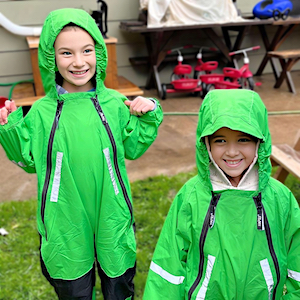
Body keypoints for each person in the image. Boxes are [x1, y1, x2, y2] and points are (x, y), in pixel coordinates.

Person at [0, 8, 163, 300]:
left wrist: (148, 114)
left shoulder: (114, 103)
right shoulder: (41, 113)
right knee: (73, 287)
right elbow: (26, 160)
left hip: (111, 211)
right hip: (65, 217)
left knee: (119, 283)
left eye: (87, 50)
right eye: (66, 53)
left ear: (98, 52)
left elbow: (135, 147)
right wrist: (9, 129)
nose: (78, 62)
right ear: (50, 57)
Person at [143, 89, 300, 299]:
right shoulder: (191, 196)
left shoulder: (280, 198)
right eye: (220, 141)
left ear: (259, 142)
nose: (232, 152)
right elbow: (168, 266)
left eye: (243, 140)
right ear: (205, 143)